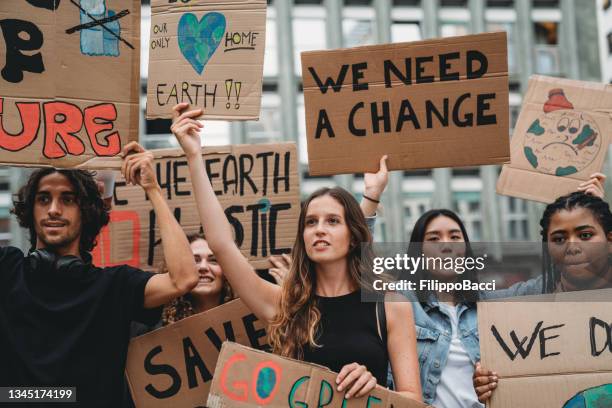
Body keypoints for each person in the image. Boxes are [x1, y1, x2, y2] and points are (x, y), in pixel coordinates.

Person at [170, 103, 422, 401]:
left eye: (332, 221)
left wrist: (373, 387)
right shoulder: (285, 303)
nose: (319, 229)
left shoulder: (389, 304)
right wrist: (194, 156)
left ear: (353, 237)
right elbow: (221, 244)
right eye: (311, 222)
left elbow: (414, 400)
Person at [0, 142, 198, 407]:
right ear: (30, 209)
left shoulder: (115, 286)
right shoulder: (7, 269)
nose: (54, 209)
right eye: (43, 198)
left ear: (87, 212)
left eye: (68, 199)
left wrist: (153, 189)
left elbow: (183, 278)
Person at [474, 190, 612, 403]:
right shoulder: (525, 299)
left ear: (609, 240)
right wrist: (489, 381)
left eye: (585, 235)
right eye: (559, 239)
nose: (572, 247)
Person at [398, 209, 482, 407]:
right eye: (434, 239)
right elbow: (359, 267)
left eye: (454, 236)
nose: (446, 245)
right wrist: (372, 198)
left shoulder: (485, 305)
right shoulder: (402, 300)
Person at [162, 232, 235, 324]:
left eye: (213, 260)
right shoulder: (155, 326)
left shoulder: (250, 316)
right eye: (194, 261)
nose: (203, 267)